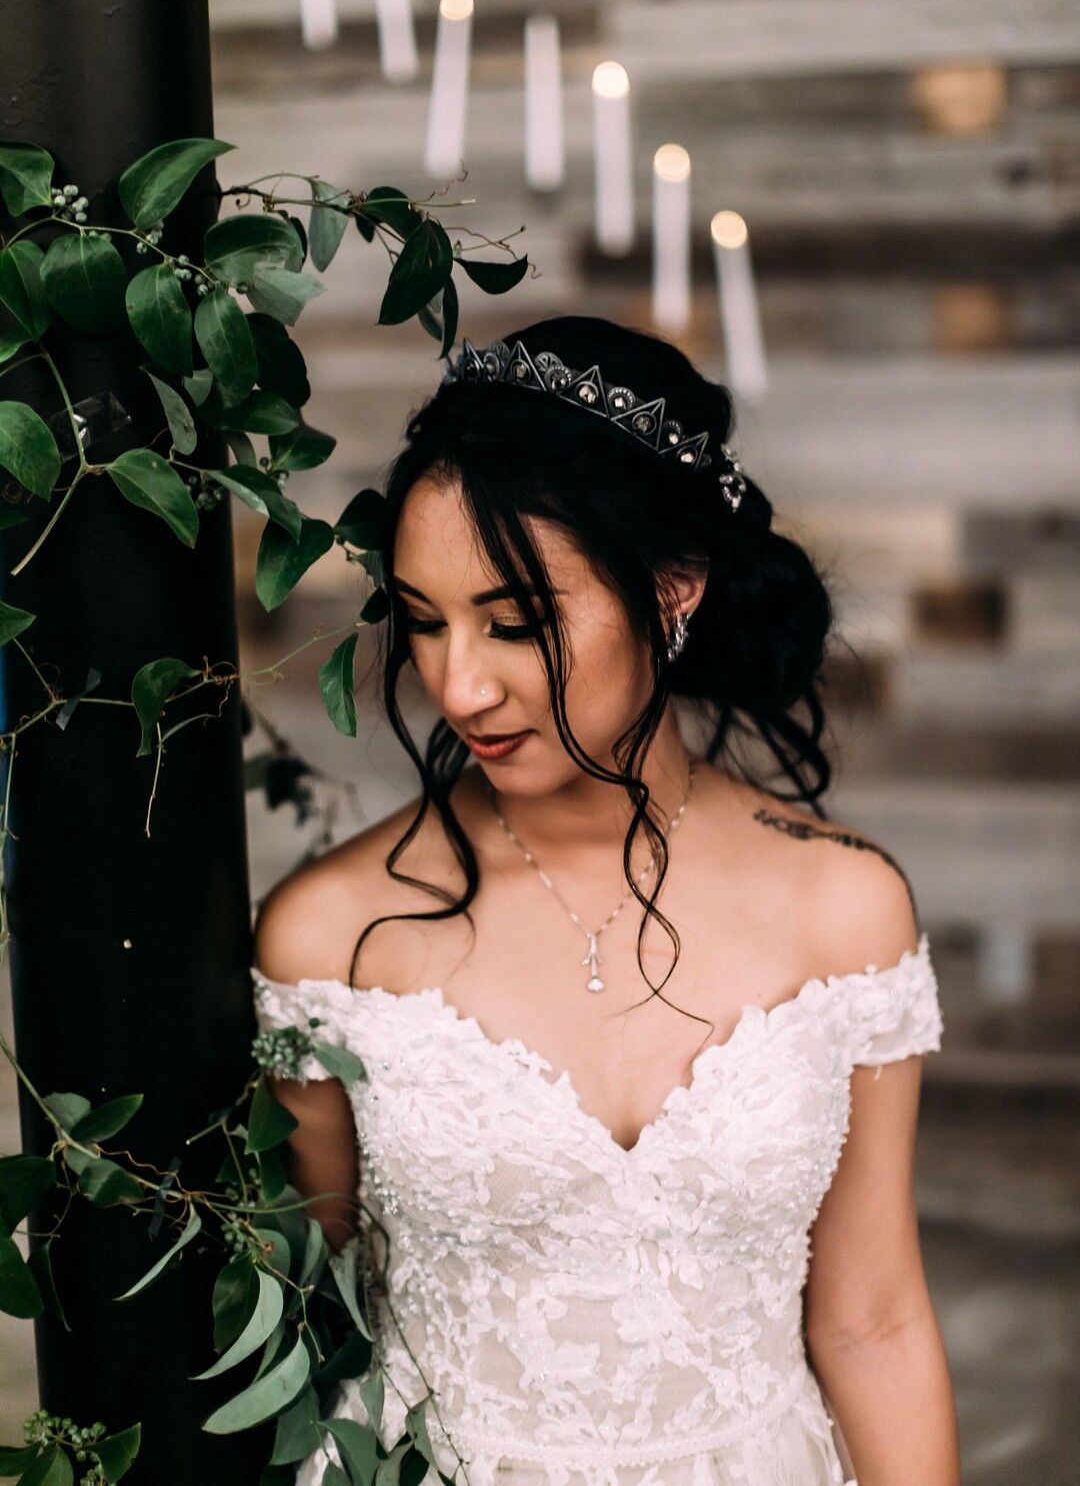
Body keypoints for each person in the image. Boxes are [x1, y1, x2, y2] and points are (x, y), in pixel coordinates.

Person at [251, 315, 962, 1485]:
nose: (458, 685)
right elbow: (302, 1339)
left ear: (672, 592)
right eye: (425, 622)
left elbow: (872, 1323)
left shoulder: (847, 913)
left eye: (517, 623)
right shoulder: (336, 942)